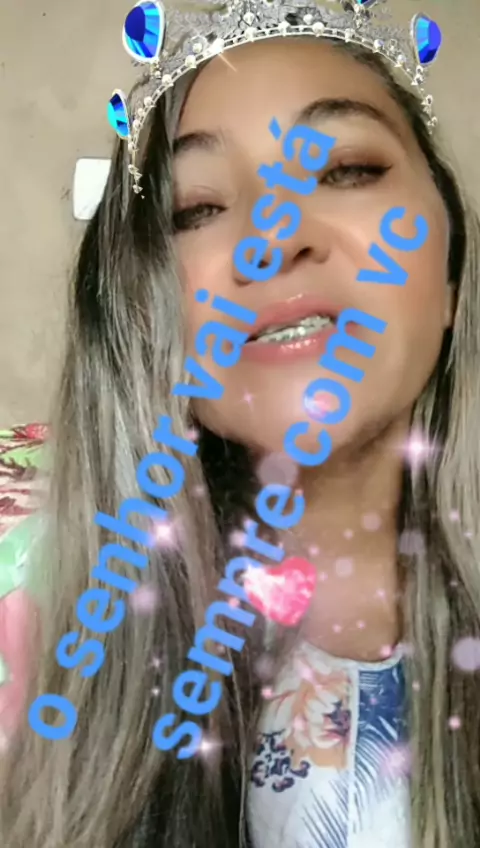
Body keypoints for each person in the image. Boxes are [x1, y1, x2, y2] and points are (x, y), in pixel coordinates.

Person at [0, 2, 479, 847]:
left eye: (345, 169)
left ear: (450, 273)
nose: (274, 237)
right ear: (144, 313)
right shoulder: (34, 617)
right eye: (196, 209)